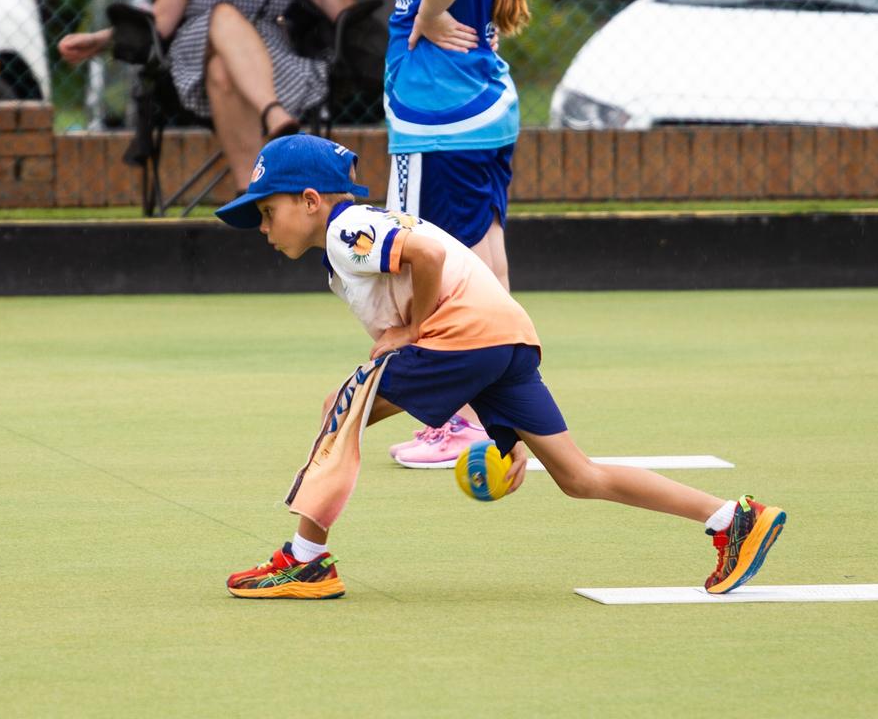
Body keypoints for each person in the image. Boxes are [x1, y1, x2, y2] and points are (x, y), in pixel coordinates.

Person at [214, 133, 788, 600]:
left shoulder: (345, 232)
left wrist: (415, 328)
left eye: (268, 213)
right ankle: (731, 519)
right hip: (503, 337)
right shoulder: (357, 234)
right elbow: (450, 340)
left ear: (311, 201)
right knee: (577, 475)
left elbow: (430, 255)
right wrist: (501, 432)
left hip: (466, 336)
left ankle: (306, 561)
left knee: (341, 410)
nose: (264, 229)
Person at [381, 0, 533, 466]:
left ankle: (461, 421)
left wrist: (426, 16)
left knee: (440, 267)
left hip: (440, 124)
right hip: (485, 112)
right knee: (487, 257)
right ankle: (503, 408)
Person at [57, 0, 355, 191]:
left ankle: (250, 194)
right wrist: (99, 41)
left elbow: (346, 15)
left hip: (272, 67)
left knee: (222, 70)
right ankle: (272, 111)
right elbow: (159, 22)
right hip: (196, 55)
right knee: (224, 15)